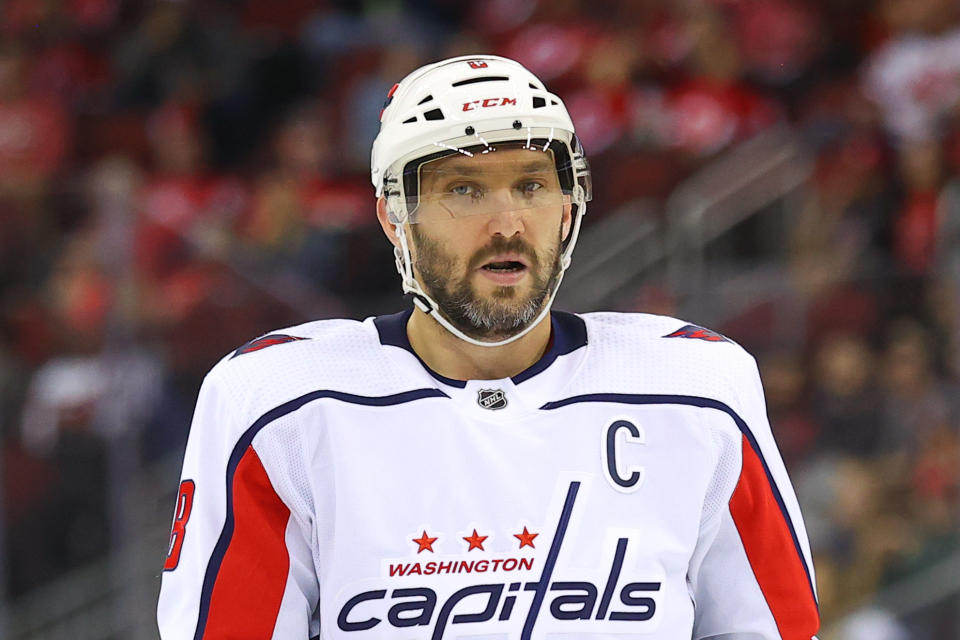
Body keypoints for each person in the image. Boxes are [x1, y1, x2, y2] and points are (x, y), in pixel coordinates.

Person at [157, 55, 820, 639]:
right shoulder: (279, 404)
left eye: (531, 185)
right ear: (395, 216)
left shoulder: (697, 388)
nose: (507, 224)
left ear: (568, 205)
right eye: (464, 190)